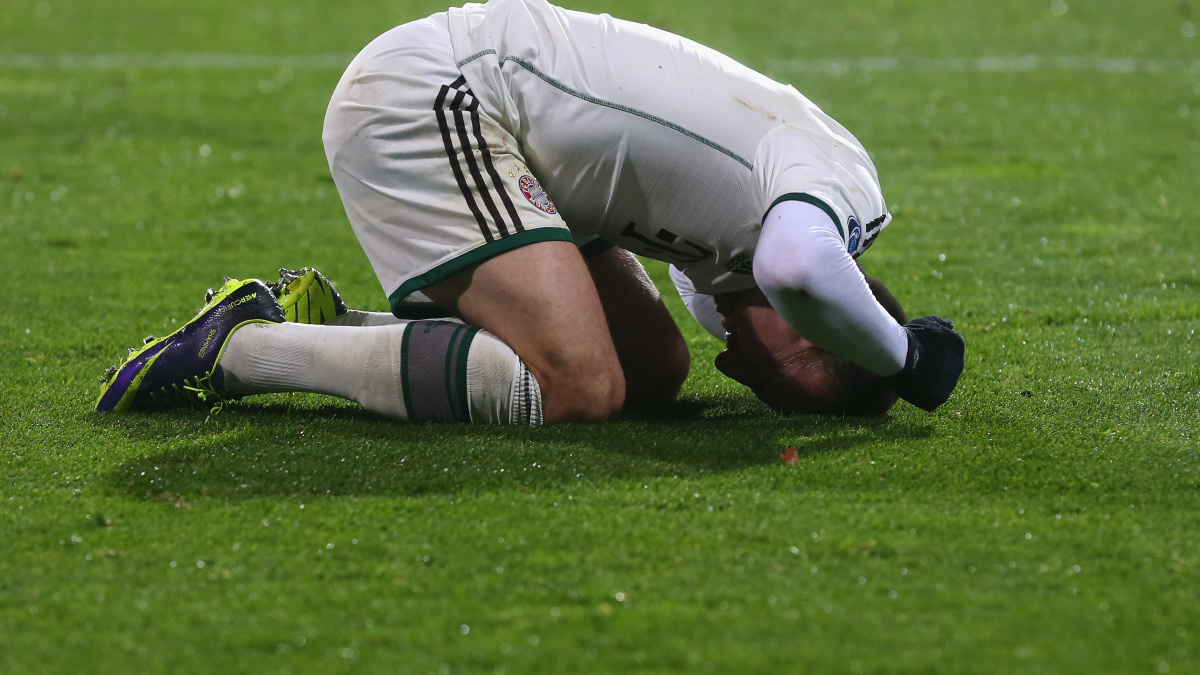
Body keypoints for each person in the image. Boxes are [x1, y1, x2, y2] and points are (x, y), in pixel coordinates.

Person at [95, 0, 965, 424]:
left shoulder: (785, 218)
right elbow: (802, 273)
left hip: (497, 113)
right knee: (580, 386)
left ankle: (333, 321)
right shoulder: (840, 207)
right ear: (822, 329)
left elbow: (742, 273)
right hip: (438, 95)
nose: (735, 371)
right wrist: (906, 360)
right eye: (772, 374)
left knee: (651, 369)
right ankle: (243, 350)